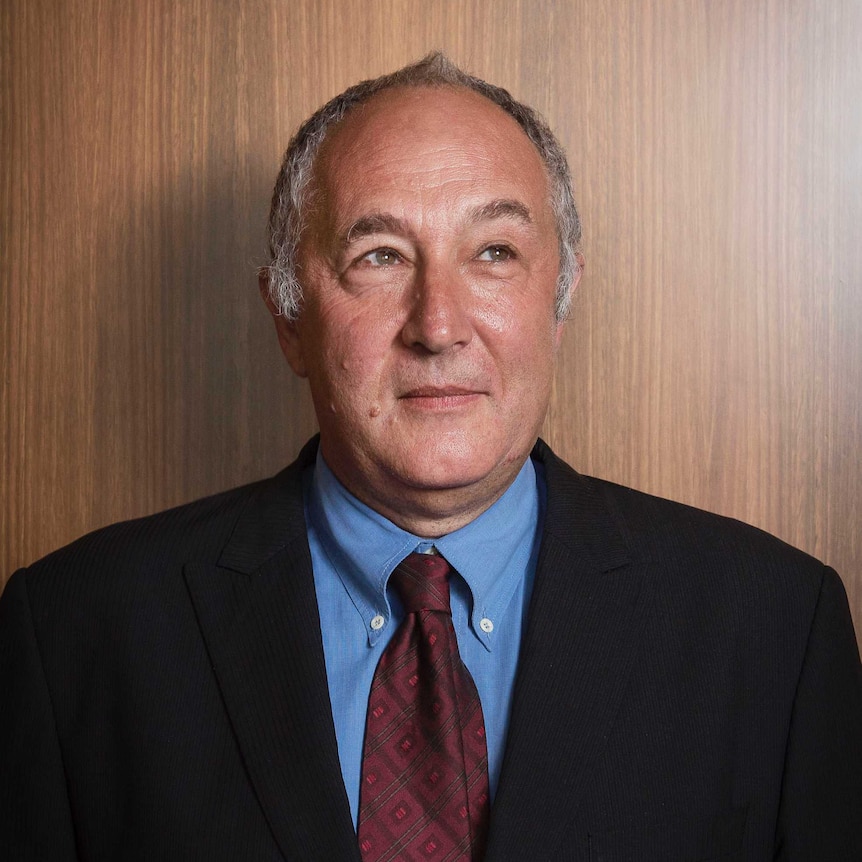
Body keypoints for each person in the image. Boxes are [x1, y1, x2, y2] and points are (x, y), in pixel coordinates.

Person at [1, 53, 860, 862]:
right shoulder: (74, 631)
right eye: (379, 257)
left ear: (560, 305)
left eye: (494, 253)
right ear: (288, 319)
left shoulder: (777, 629)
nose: (438, 325)